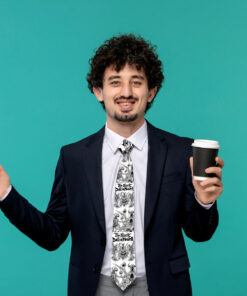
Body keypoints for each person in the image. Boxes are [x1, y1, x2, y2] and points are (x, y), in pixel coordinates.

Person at [0, 34, 224, 296]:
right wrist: (6, 194)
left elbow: (200, 233)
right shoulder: (73, 158)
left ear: (151, 91)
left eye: (136, 82)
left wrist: (204, 202)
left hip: (163, 286)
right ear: (98, 91)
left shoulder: (181, 152)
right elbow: (52, 234)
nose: (126, 92)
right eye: (115, 82)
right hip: (95, 287)